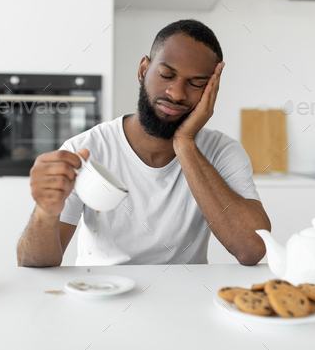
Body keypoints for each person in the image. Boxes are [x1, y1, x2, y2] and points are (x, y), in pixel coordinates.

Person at [17, 19, 272, 267]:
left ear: (211, 91)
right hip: (99, 295)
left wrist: (184, 143)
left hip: (184, 299)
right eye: (166, 74)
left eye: (196, 83)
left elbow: (251, 249)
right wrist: (45, 212)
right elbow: (34, 264)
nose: (177, 93)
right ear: (143, 70)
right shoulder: (83, 150)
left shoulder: (222, 152)